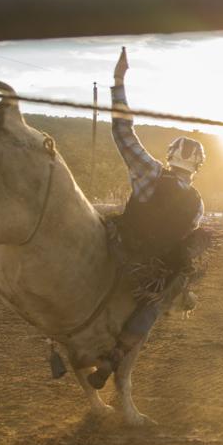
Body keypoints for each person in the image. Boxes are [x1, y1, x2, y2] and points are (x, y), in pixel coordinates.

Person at [88, 47, 208, 389]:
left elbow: (123, 132)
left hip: (117, 249)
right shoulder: (198, 203)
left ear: (171, 156)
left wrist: (119, 80)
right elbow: (187, 242)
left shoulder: (150, 172)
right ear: (197, 166)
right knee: (162, 296)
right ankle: (117, 355)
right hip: (148, 272)